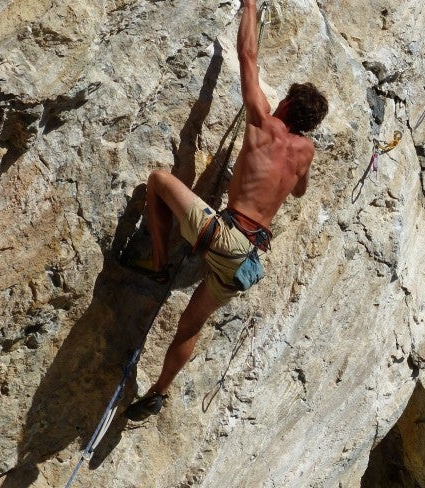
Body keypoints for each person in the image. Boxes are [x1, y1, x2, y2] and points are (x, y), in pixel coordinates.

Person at [123, 0, 328, 421]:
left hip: (227, 237)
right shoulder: (305, 152)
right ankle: (159, 391)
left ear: (286, 105)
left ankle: (160, 263)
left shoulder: (265, 123)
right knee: (190, 326)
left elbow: (247, 56)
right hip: (246, 262)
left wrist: (250, 5)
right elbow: (302, 191)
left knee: (160, 180)